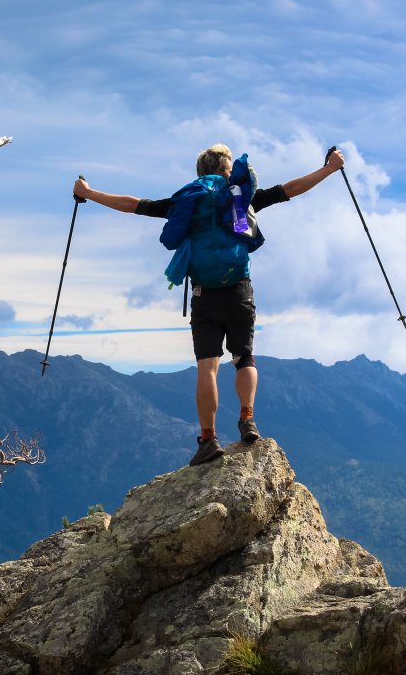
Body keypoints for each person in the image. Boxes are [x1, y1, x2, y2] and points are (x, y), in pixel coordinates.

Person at [73, 144, 346, 466]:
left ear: (201, 171)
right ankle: (247, 420)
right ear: (223, 168)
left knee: (208, 367)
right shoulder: (240, 196)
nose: (232, 173)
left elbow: (134, 205)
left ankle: (208, 439)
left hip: (205, 294)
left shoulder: (186, 200)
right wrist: (329, 169)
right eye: (230, 169)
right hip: (239, 288)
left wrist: (88, 193)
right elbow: (287, 191)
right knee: (244, 356)